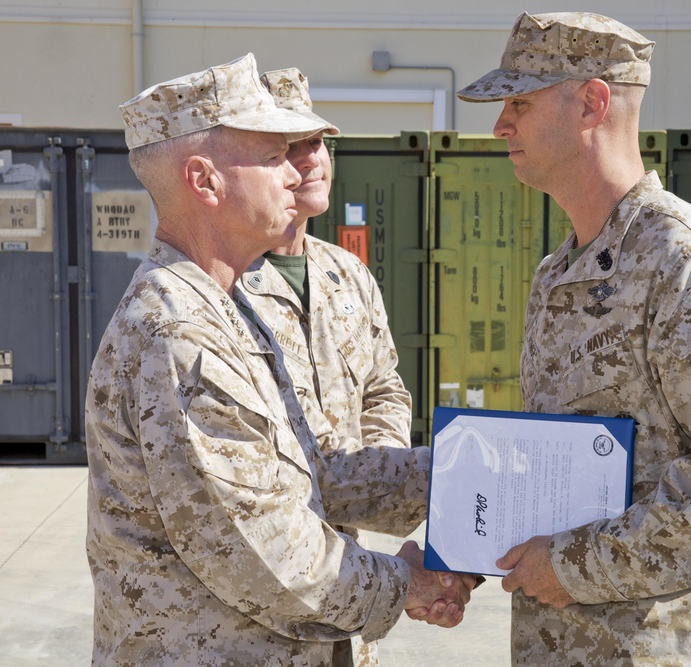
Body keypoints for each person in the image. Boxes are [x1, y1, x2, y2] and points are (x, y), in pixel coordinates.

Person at [85, 53, 470, 666]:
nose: (295, 174)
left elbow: (316, 469)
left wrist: (466, 478)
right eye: (270, 158)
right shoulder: (181, 331)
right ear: (204, 182)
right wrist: (408, 584)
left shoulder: (225, 305)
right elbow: (261, 551)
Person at [457, 12, 691, 665]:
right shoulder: (557, 272)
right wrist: (471, 546)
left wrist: (576, 564)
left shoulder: (689, 261)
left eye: (520, 103)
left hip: (662, 645)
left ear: (592, 102)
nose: (502, 124)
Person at [238, 67, 436, 666]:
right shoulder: (222, 288)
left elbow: (384, 388)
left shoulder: (345, 272)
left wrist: (380, 471)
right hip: (266, 611)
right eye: (289, 147)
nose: (313, 159)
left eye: (319, 141)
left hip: (350, 588)